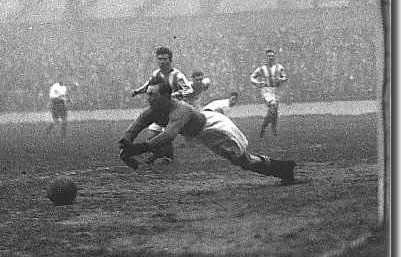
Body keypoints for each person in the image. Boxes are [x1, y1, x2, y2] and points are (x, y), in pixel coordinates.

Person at [118, 77, 295, 185]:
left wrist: (138, 149)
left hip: (214, 128)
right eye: (148, 94)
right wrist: (125, 144)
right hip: (201, 134)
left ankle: (282, 168)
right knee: (242, 162)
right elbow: (137, 125)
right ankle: (282, 169)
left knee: (243, 161)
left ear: (165, 96)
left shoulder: (180, 109)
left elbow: (169, 135)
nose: (148, 98)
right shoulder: (154, 109)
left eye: (152, 94)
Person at [131, 46, 193, 164]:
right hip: (160, 108)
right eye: (160, 59)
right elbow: (148, 85)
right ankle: (159, 154)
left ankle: (168, 158)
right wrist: (137, 91)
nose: (162, 61)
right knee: (151, 135)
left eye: (165, 59)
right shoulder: (156, 74)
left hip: (174, 108)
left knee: (166, 134)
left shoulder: (177, 75)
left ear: (170, 60)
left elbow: (189, 90)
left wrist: (176, 94)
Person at [250, 49, 288, 137]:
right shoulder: (262, 68)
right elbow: (252, 77)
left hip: (276, 91)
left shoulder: (279, 67)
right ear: (266, 57)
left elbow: (285, 77)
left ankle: (272, 128)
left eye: (272, 56)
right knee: (273, 106)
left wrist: (281, 79)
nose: (271, 57)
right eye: (269, 56)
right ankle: (264, 127)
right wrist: (257, 83)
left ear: (274, 57)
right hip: (266, 90)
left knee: (274, 111)